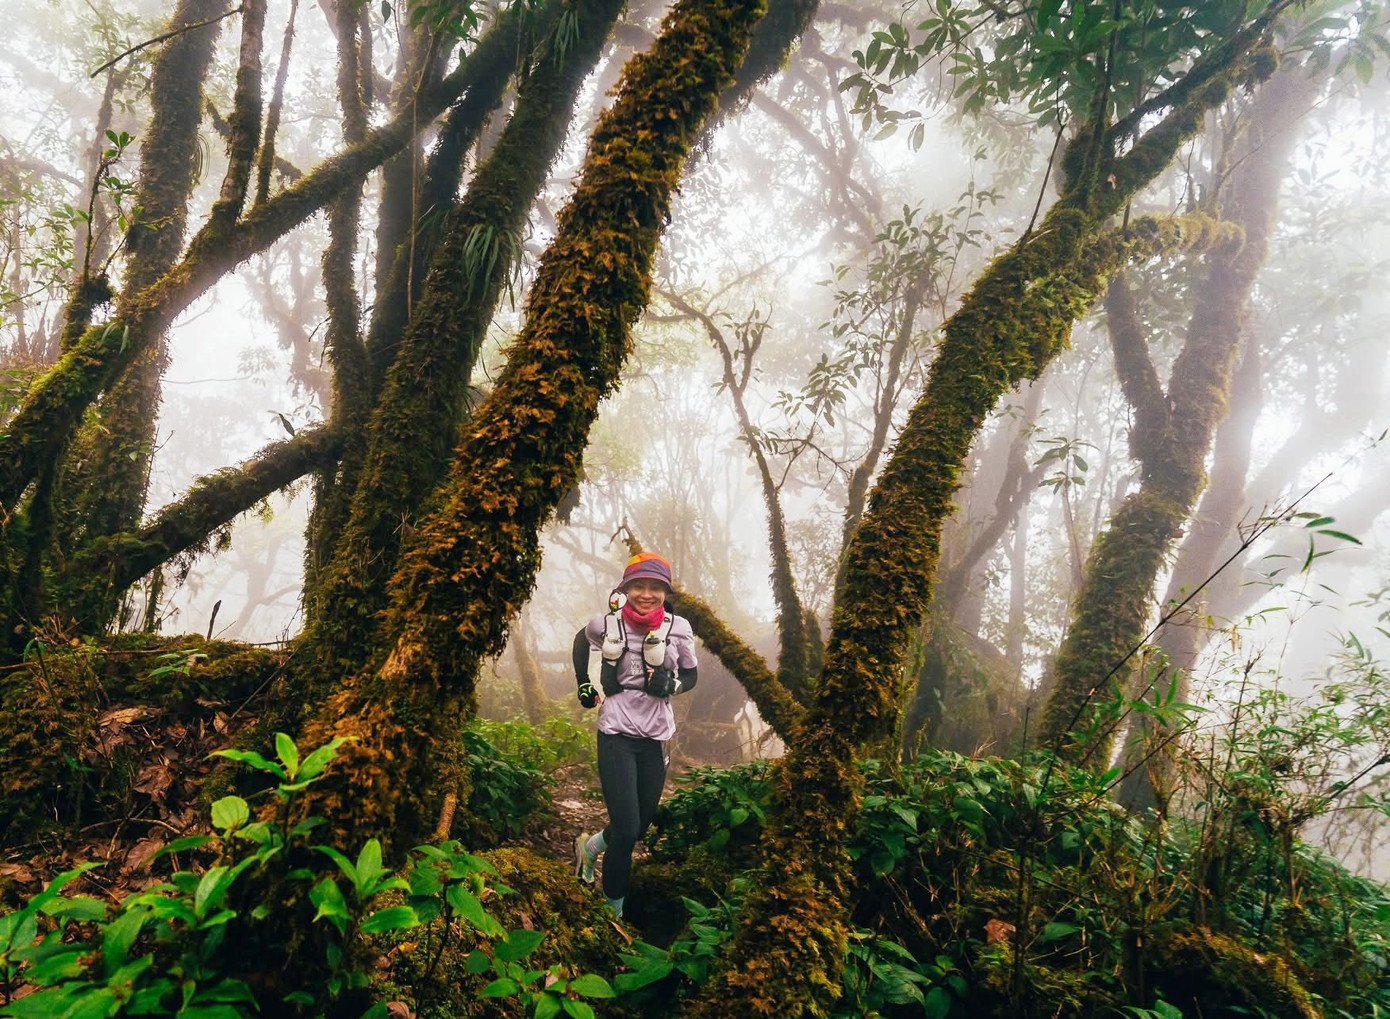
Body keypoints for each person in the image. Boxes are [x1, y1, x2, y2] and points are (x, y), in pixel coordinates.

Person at [571, 552, 698, 918]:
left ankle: (590, 846)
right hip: (616, 733)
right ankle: (615, 914)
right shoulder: (607, 625)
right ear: (624, 589)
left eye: (655, 587)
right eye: (638, 586)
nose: (646, 594)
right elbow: (581, 642)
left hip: (656, 737)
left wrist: (671, 683)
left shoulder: (679, 628)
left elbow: (691, 675)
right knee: (626, 829)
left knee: (639, 825)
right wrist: (584, 684)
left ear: (665, 592)